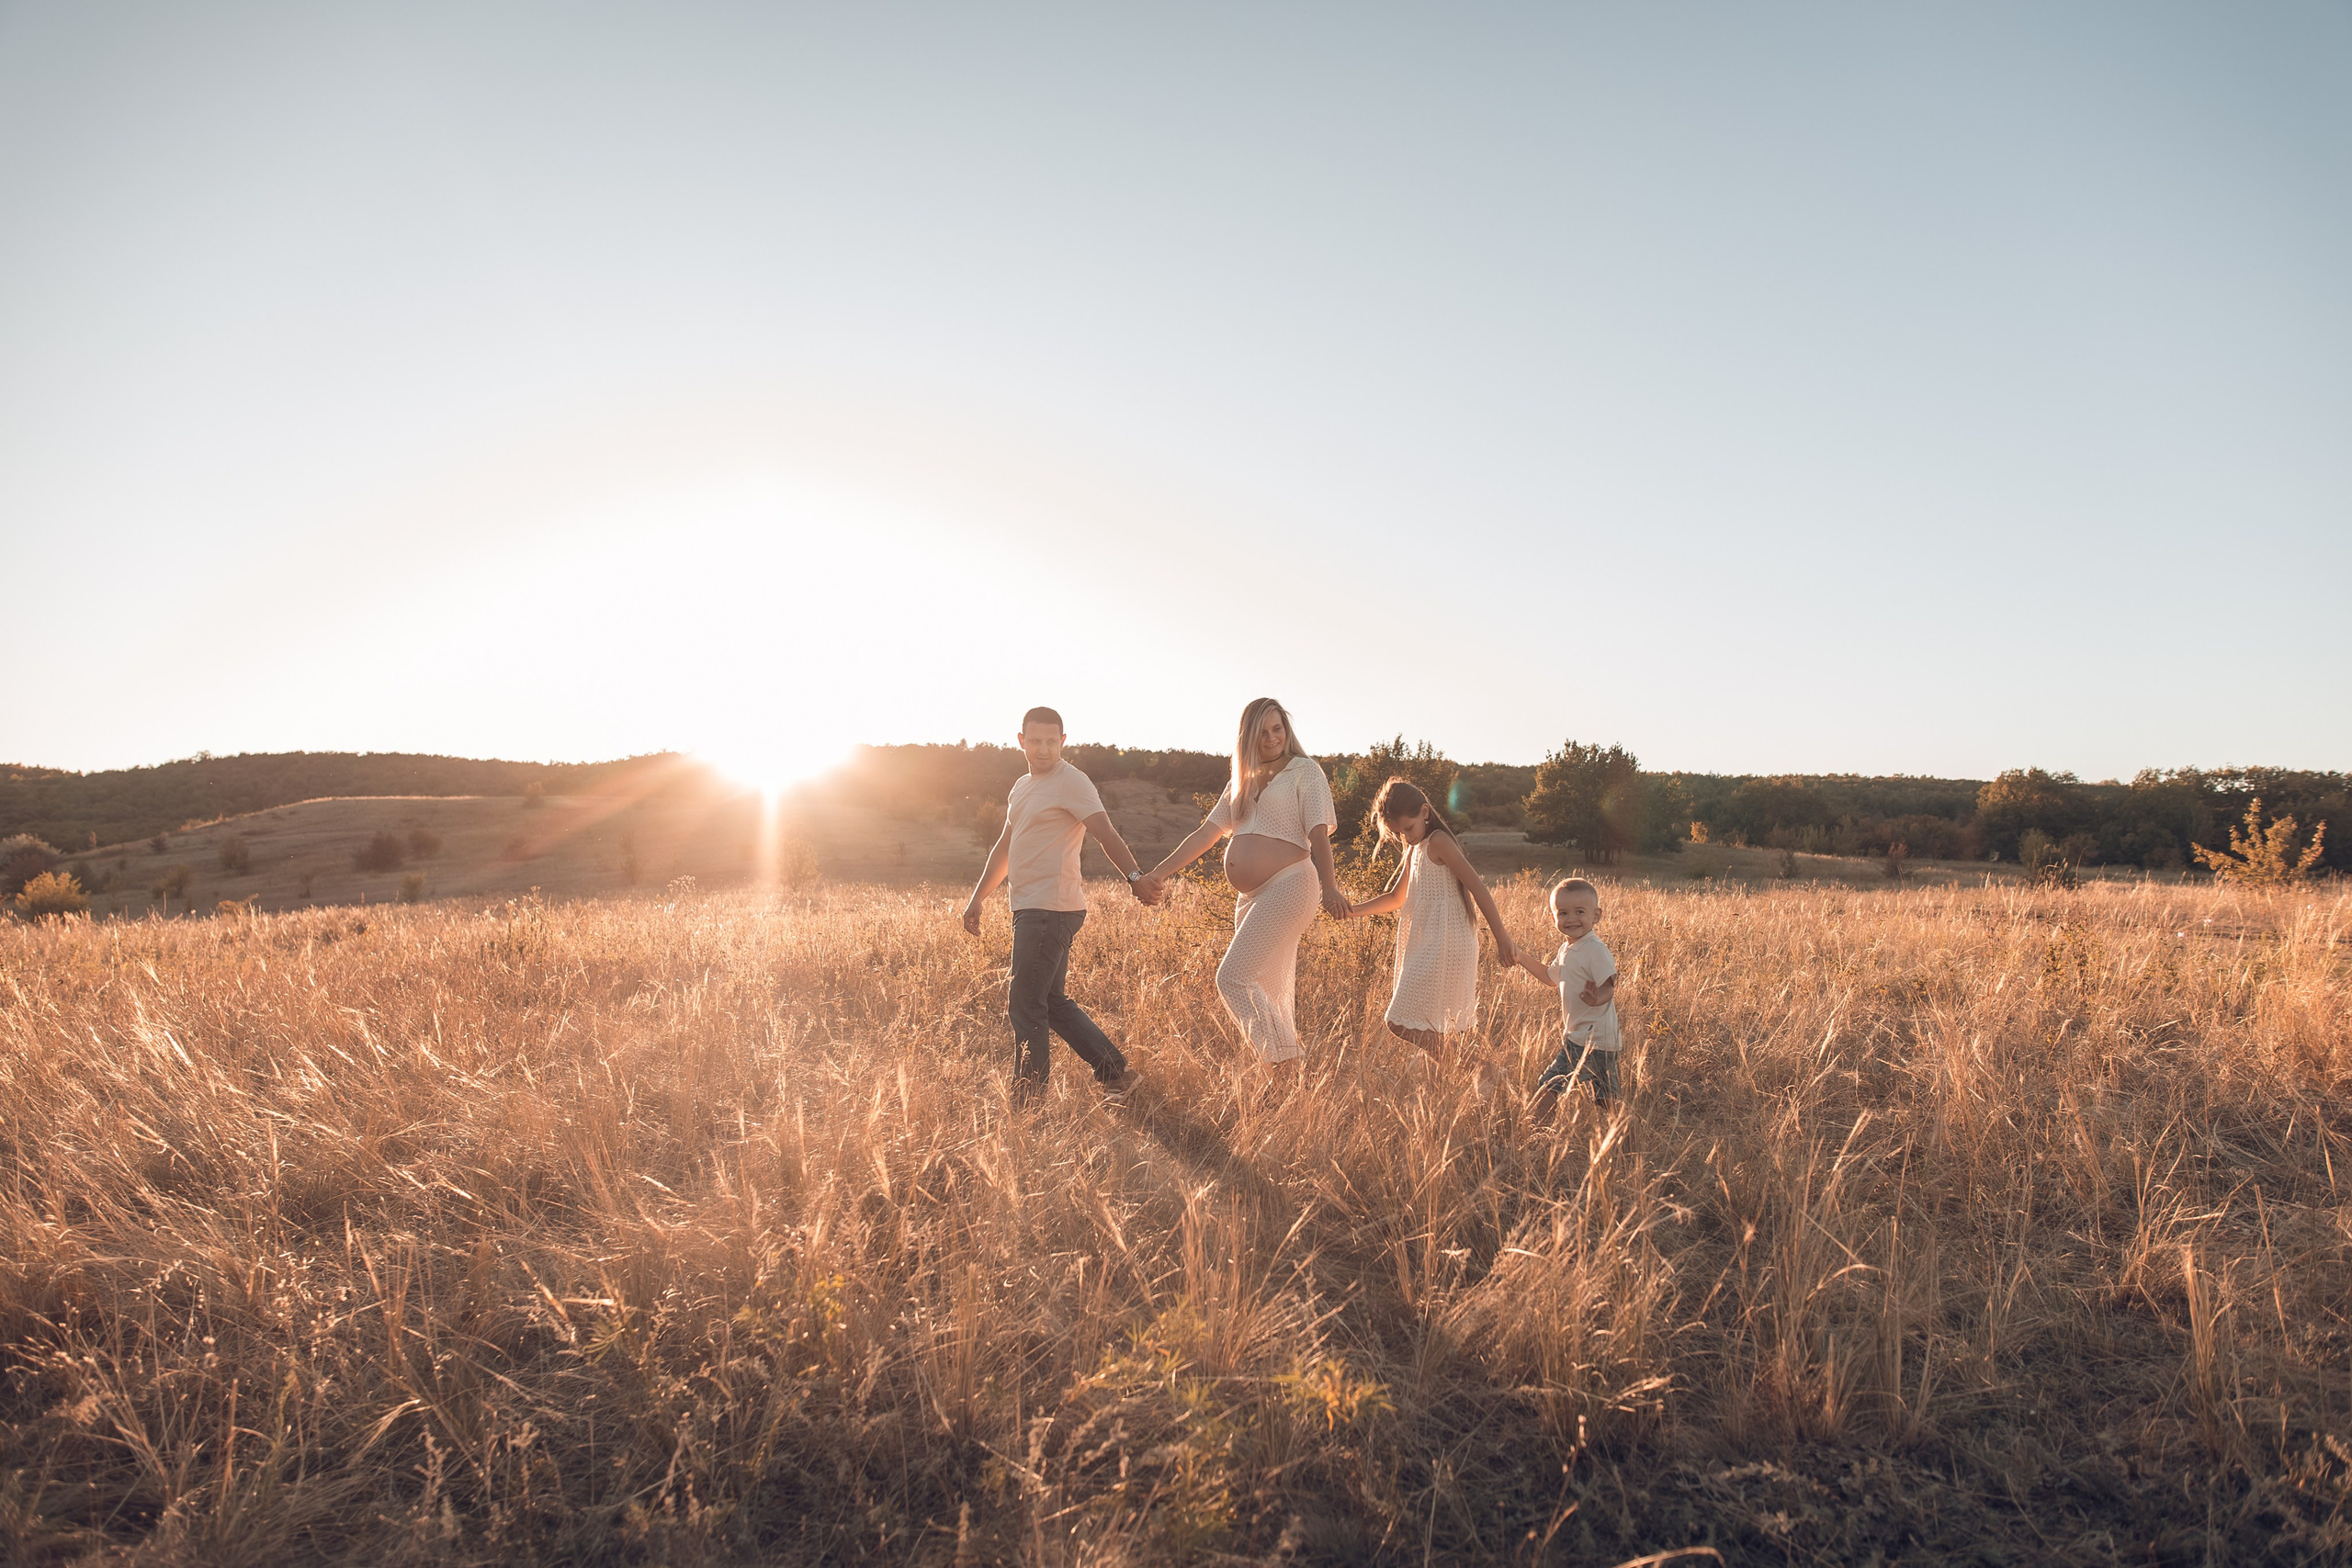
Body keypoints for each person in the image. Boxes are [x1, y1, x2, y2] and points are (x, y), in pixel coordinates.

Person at [1136, 698, 1349, 1066]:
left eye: (1277, 729)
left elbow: (1318, 833)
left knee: (1232, 978)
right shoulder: (1242, 781)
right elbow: (1207, 834)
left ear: (1287, 729)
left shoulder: (1305, 771)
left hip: (1292, 883)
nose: (1271, 739)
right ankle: (1285, 1082)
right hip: (1251, 897)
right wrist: (1158, 873)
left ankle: (1289, 1060)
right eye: (1262, 732)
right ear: (1248, 737)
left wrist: (1330, 887)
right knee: (1264, 986)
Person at [962, 707, 1155, 1103]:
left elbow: (1105, 833)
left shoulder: (1073, 782)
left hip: (1050, 908)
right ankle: (1116, 1072)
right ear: (1021, 741)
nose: (1044, 749)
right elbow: (1005, 847)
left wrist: (1134, 878)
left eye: (1052, 741)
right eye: (1036, 741)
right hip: (1031, 907)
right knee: (1050, 1000)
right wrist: (978, 896)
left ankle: (1028, 1103)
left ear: (1063, 741)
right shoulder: (1021, 788)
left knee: (1026, 1005)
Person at [1346, 779, 1517, 1095]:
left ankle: (1483, 1070)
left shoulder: (1437, 841)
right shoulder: (1416, 848)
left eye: (1409, 828)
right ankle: (1481, 1079)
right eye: (1398, 832)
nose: (1405, 836)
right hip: (1430, 942)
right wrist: (1352, 911)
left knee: (1399, 1021)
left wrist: (1501, 937)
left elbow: (1478, 887)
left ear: (1425, 812)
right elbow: (1396, 898)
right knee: (1432, 1026)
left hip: (1448, 941)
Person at [1507, 876, 1621, 1107]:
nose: (1571, 919)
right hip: (1602, 1041)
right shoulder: (1567, 949)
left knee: (1549, 1086)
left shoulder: (1594, 949)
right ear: (1553, 918)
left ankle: (1537, 1139)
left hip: (1587, 1040)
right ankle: (1628, 1140)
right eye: (1563, 913)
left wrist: (1595, 998)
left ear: (1596, 916)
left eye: (1580, 912)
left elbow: (1609, 986)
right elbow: (1550, 978)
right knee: (1607, 1101)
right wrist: (1520, 956)